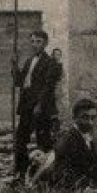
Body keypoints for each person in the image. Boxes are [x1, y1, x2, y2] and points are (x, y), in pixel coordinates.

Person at [12, 29, 57, 181]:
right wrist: (14, 65)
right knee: (20, 139)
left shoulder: (50, 62)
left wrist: (39, 105)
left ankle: (44, 173)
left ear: (45, 43)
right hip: (26, 106)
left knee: (42, 140)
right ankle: (20, 171)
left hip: (40, 107)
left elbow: (48, 87)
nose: (35, 44)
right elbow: (19, 82)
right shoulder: (29, 61)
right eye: (32, 41)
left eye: (38, 41)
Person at [52, 98, 97, 190]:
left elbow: (95, 169)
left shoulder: (87, 138)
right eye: (85, 117)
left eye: (93, 118)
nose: (90, 122)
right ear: (74, 118)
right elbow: (62, 176)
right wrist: (85, 190)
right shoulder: (67, 141)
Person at [51, 47, 67, 140]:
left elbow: (62, 79)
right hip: (51, 92)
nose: (57, 56)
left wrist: (61, 89)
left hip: (58, 90)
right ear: (52, 55)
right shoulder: (50, 65)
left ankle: (57, 131)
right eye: (55, 54)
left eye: (59, 55)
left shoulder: (60, 66)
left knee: (58, 110)